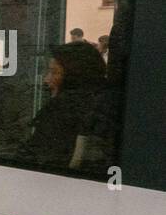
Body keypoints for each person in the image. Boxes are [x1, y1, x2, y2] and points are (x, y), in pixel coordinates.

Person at [18, 41, 106, 172]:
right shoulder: (100, 104)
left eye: (54, 72)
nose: (47, 80)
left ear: (73, 77)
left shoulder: (63, 109)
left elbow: (37, 159)